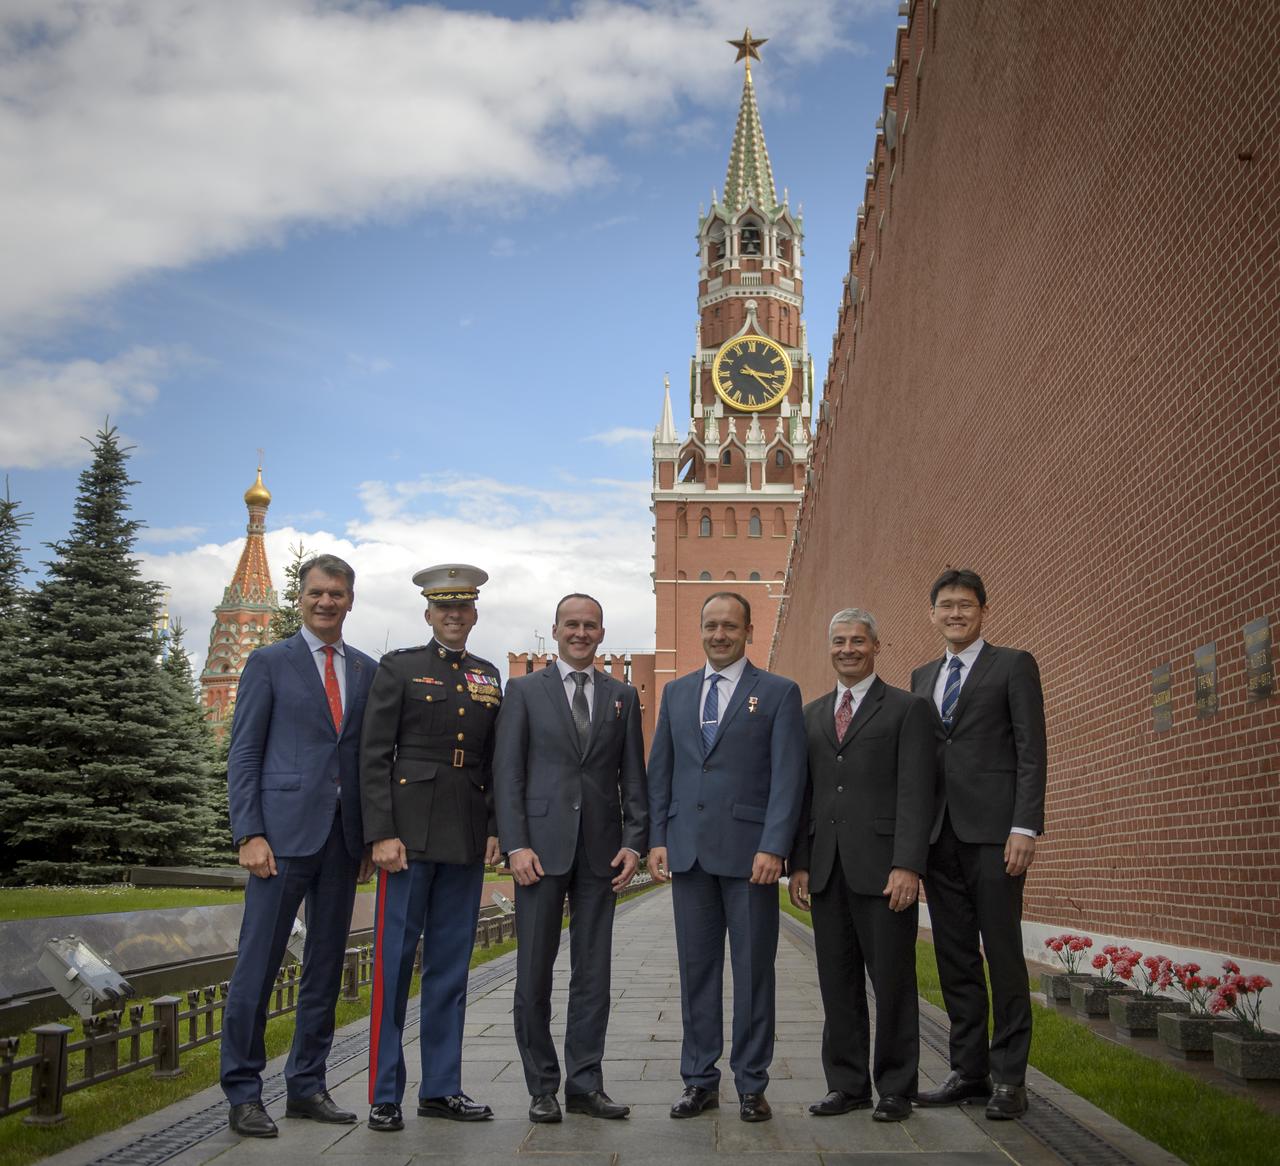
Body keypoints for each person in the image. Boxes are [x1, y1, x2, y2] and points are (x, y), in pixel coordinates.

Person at [221, 554, 376, 1138]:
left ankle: (307, 1085)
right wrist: (249, 832)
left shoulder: (365, 669)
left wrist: (365, 835)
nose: (325, 602)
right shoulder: (268, 662)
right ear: (302, 597)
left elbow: (364, 758)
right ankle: (242, 1092)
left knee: (325, 969)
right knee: (256, 967)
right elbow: (245, 753)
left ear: (350, 599)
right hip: (279, 840)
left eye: (336, 593)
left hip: (340, 842)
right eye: (316, 593)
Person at [646, 592, 806, 1124]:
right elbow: (660, 772)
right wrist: (658, 837)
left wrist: (774, 845)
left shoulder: (779, 694)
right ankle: (699, 1080)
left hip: (749, 858)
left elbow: (788, 778)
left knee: (754, 971)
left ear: (748, 631)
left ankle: (752, 1084)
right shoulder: (676, 693)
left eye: (730, 626)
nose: (719, 635)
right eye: (711, 626)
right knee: (697, 972)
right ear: (701, 629)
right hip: (688, 855)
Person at [493, 593, 647, 1124]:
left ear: (602, 633)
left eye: (590, 625)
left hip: (600, 855)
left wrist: (634, 842)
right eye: (571, 625)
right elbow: (507, 773)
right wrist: (515, 844)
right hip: (538, 852)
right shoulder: (524, 691)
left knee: (593, 975)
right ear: (555, 631)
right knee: (533, 972)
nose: (580, 633)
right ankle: (542, 1086)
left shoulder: (623, 695)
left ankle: (586, 1083)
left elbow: (634, 777)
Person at [360, 564, 503, 1132]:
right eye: (444, 607)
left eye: (463, 607)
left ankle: (441, 1088)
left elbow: (492, 761)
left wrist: (493, 827)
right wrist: (380, 833)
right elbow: (374, 754)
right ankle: (384, 1092)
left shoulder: (488, 676)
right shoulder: (399, 669)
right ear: (428, 614)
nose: (454, 616)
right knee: (393, 965)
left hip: (465, 836)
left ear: (474, 613)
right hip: (407, 837)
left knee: (450, 968)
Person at [788, 609, 936, 1123]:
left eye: (857, 640)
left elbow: (919, 793)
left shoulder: (907, 709)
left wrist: (909, 865)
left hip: (885, 871)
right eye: (839, 641)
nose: (847, 649)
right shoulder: (811, 714)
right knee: (837, 981)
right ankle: (847, 1085)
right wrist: (800, 865)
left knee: (893, 982)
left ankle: (896, 1086)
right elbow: (803, 794)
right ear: (829, 647)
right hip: (826, 871)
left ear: (877, 646)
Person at [910, 569, 1047, 1120]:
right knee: (954, 956)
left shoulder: (1013, 665)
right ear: (933, 614)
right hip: (939, 839)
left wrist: (1025, 827)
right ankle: (969, 1071)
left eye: (966, 605)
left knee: (1004, 957)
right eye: (946, 605)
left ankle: (1010, 1078)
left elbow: (1031, 750)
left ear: (983, 611)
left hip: (995, 837)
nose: (956, 614)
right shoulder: (922, 677)